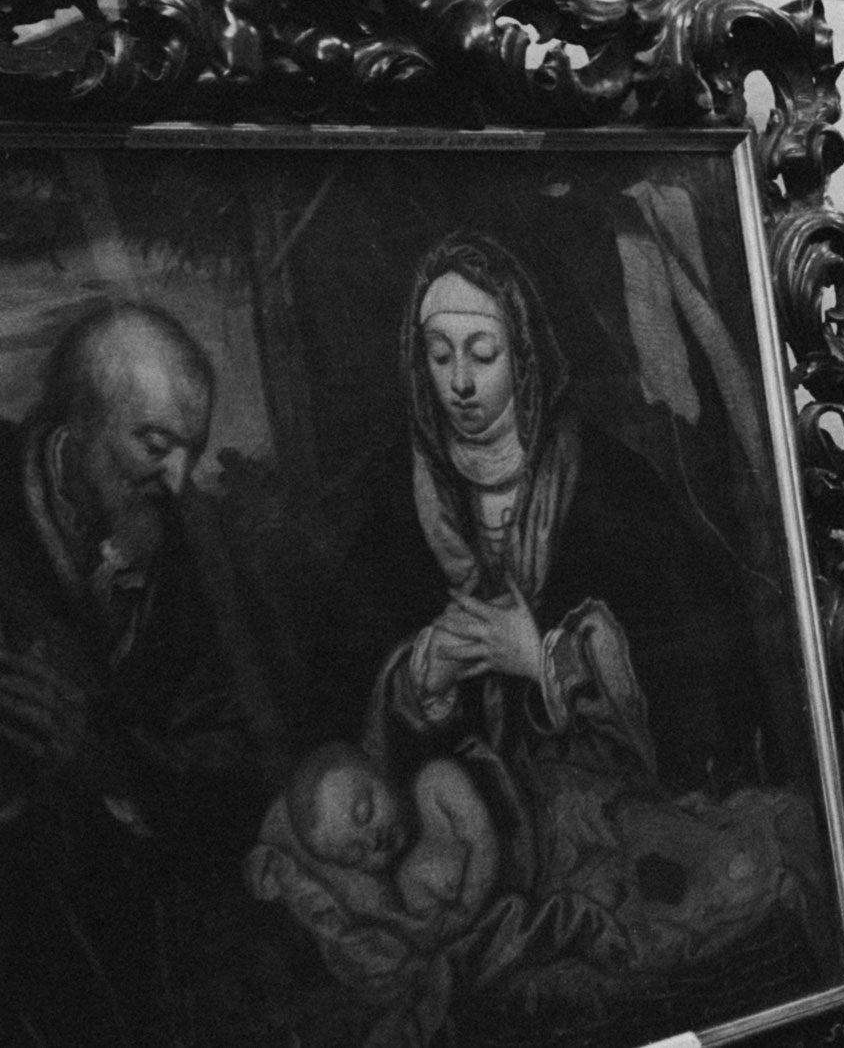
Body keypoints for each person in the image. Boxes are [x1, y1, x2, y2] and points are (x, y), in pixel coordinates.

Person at [371, 229, 760, 798]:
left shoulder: (610, 481)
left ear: (524, 355)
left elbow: (694, 665)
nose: (459, 382)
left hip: (608, 799)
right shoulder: (398, 495)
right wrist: (419, 679)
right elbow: (343, 676)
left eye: (483, 354)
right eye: (438, 354)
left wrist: (544, 659)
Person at [0, 301, 279, 1044]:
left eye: (191, 448)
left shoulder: (199, 561)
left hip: (138, 932)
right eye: (154, 443)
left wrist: (108, 759)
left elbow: (241, 761)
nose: (179, 475)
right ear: (72, 435)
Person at [283, 739, 500, 946]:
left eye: (365, 813)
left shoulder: (436, 782)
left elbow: (484, 840)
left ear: (379, 770)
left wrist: (467, 906)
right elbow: (441, 932)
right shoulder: (408, 883)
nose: (372, 841)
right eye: (356, 853)